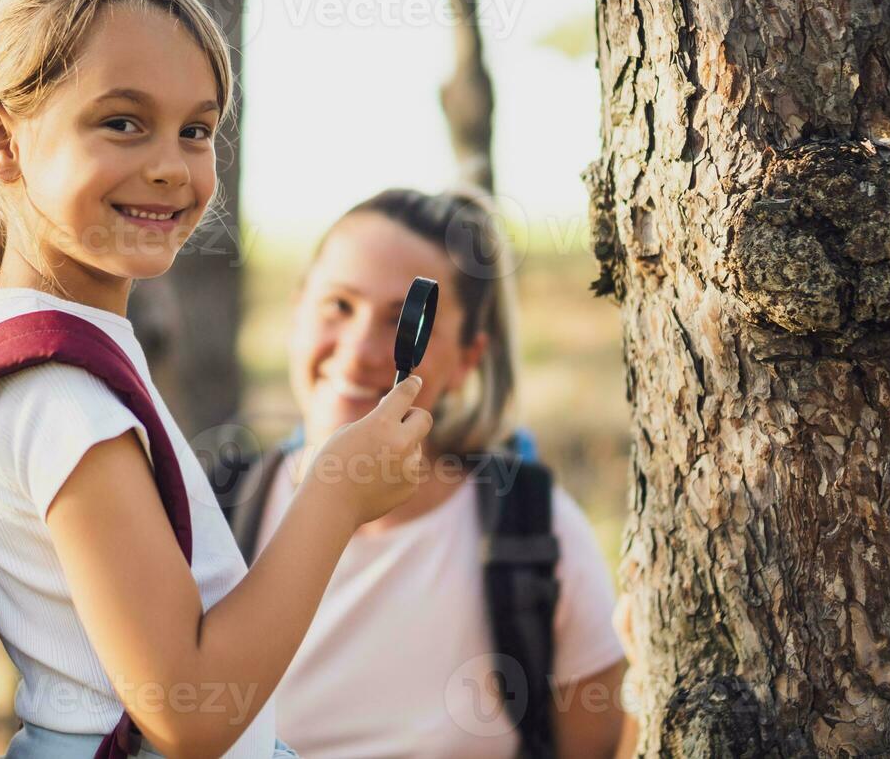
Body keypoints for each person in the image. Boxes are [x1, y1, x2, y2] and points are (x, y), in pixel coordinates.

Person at [0, 0, 436, 759]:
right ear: (0, 140)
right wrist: (335, 497)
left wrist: (57, 575)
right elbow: (191, 713)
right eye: (123, 122)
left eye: (195, 130)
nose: (173, 168)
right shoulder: (61, 399)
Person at [220, 187, 632, 758]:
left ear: (469, 359)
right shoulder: (217, 511)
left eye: (403, 323)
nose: (362, 350)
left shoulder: (536, 535)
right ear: (297, 312)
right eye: (338, 305)